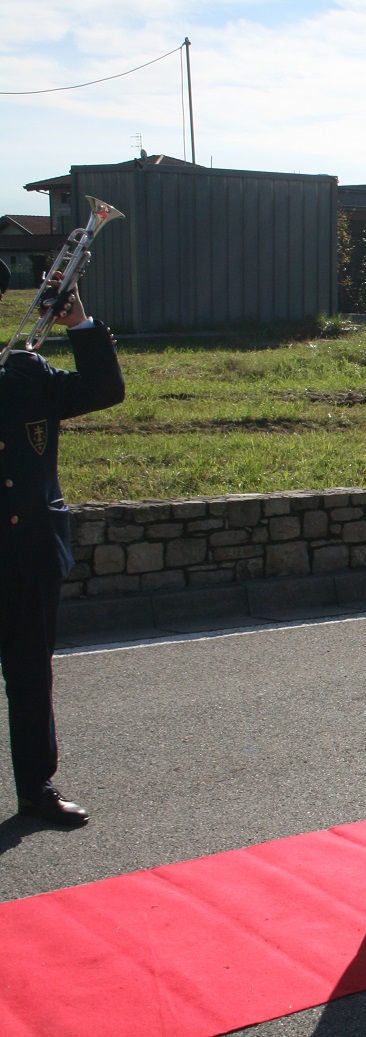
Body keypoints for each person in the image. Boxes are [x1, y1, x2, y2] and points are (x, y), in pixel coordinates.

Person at [1, 259, 126, 825]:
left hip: (26, 552)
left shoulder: (25, 371)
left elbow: (105, 389)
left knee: (30, 674)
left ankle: (37, 788)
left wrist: (78, 321)